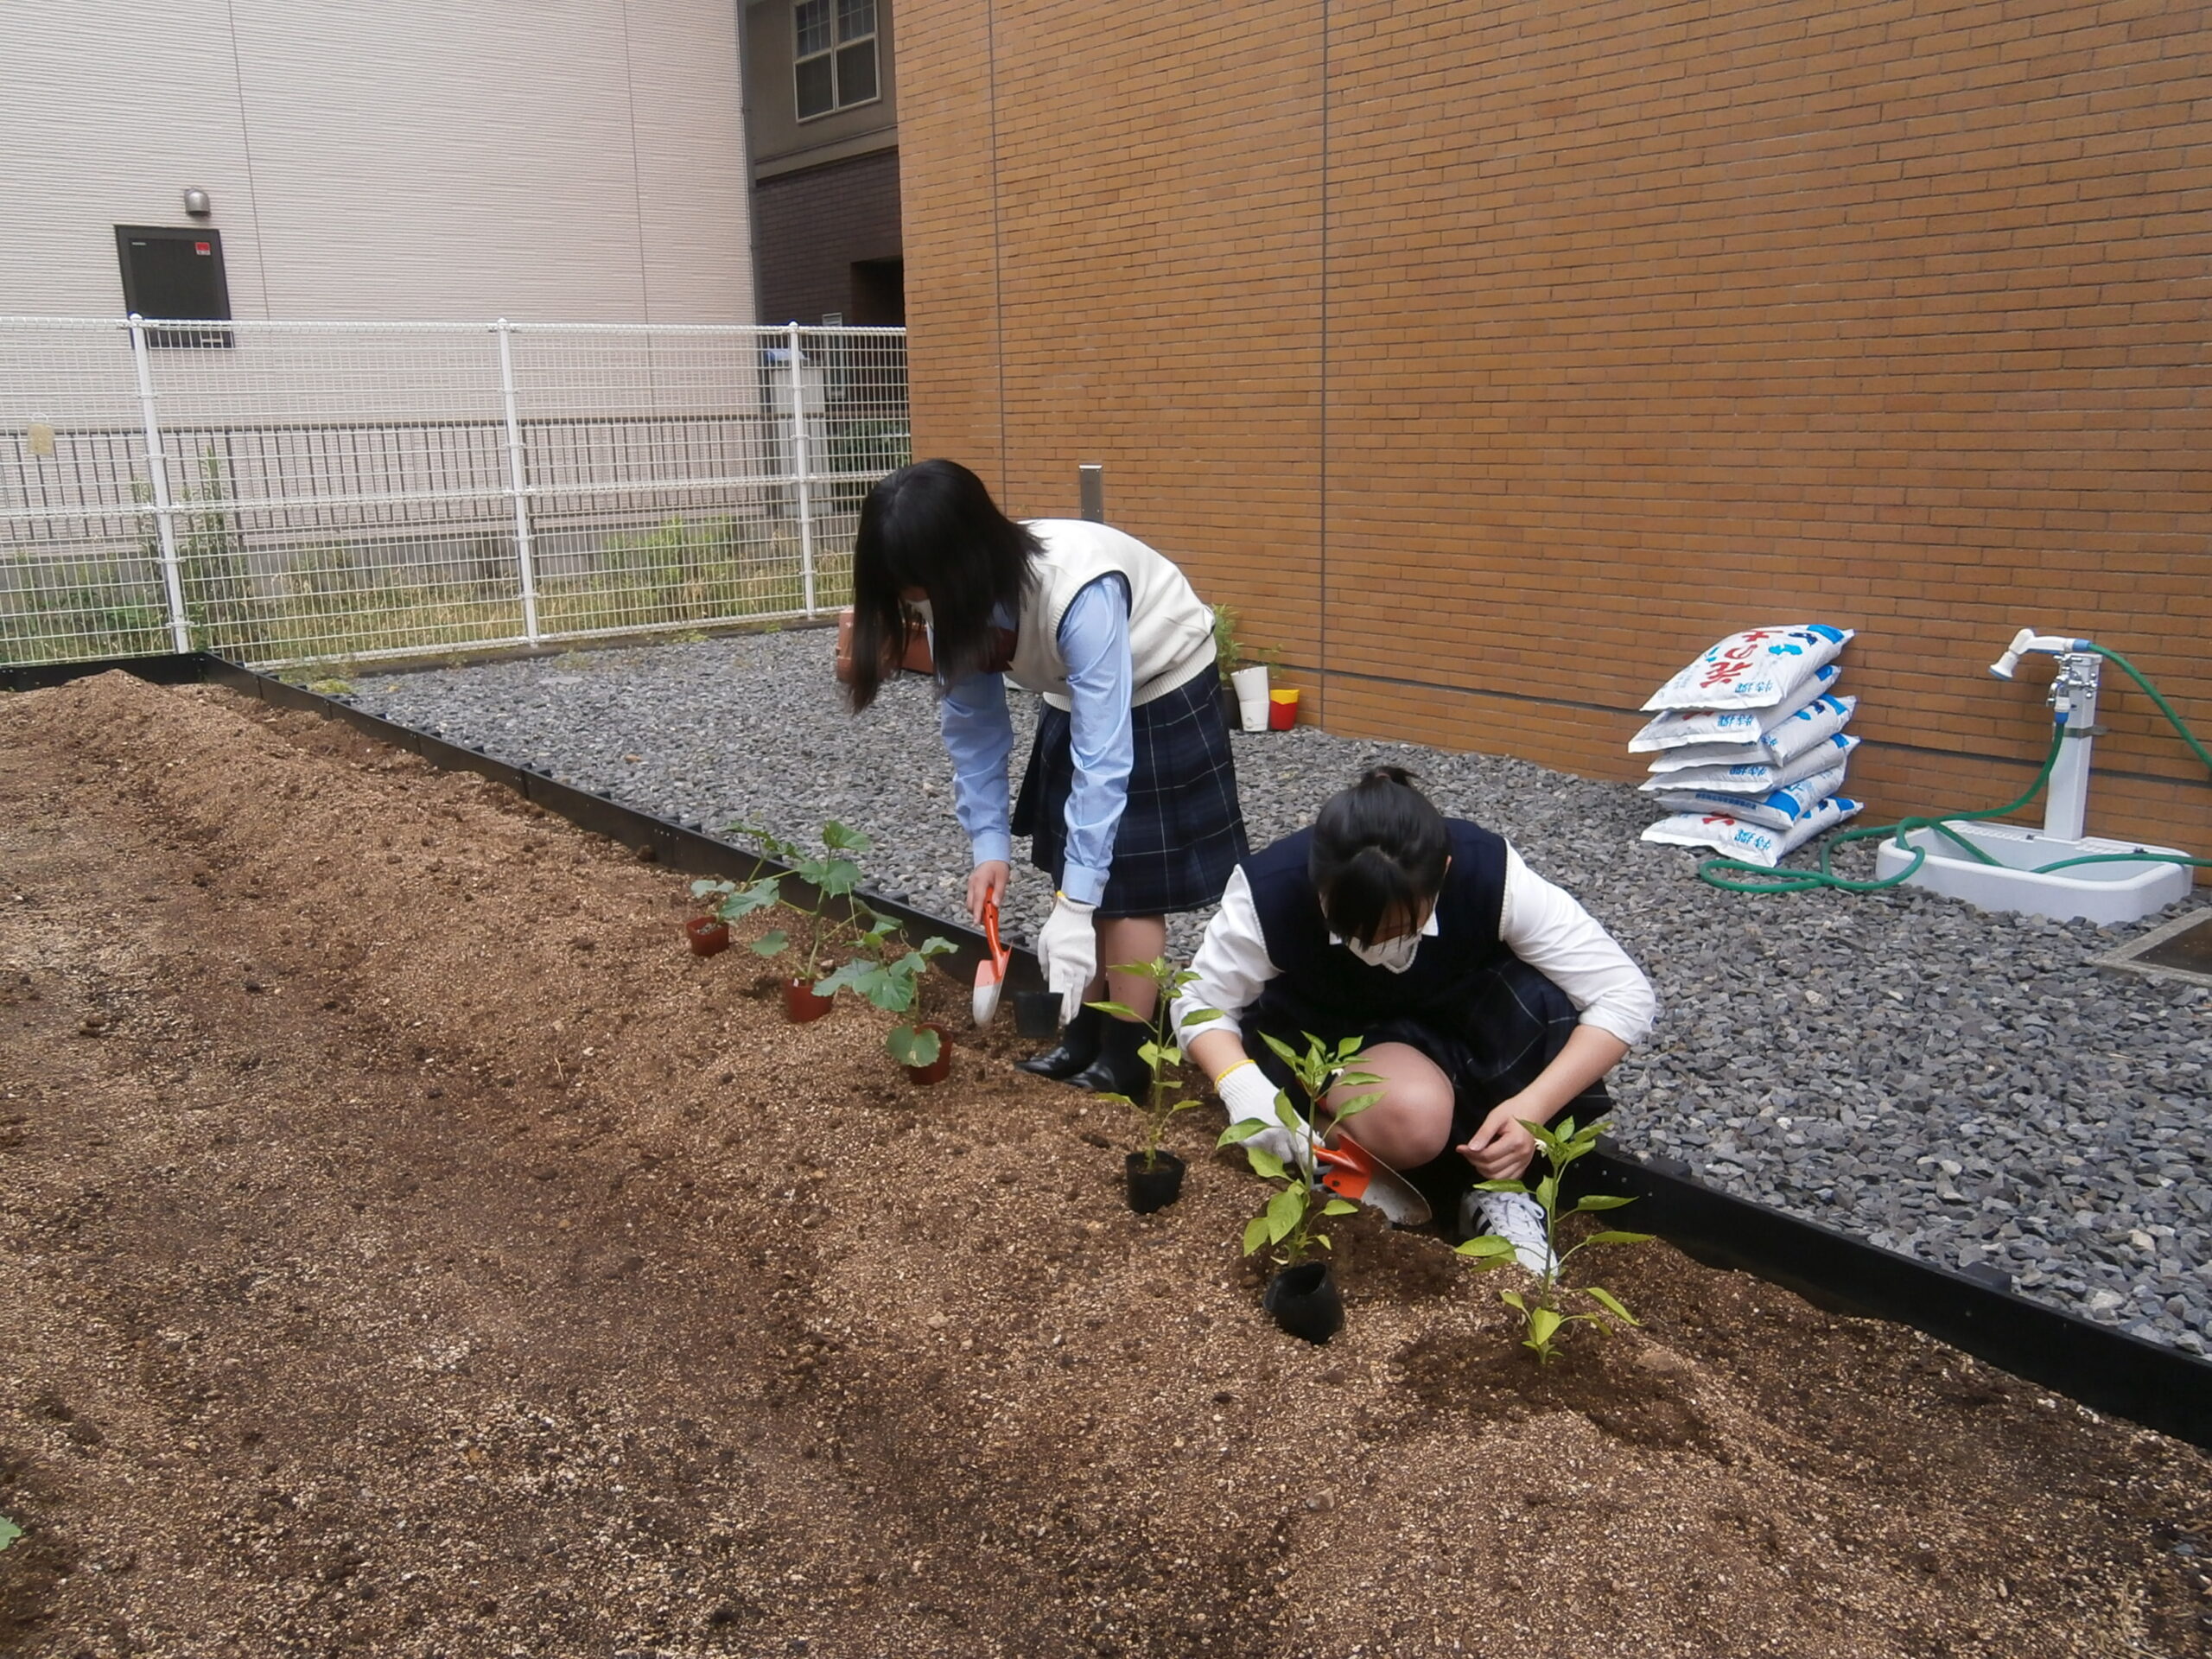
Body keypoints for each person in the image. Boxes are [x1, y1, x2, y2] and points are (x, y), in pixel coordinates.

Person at [846, 458, 1248, 1096]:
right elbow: (975, 731)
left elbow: (1104, 754)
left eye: (917, 588)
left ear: (964, 556)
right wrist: (989, 848)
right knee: (1071, 862)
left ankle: (1128, 1054)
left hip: (1159, 682)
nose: (915, 604)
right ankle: (1080, 1035)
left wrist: (1081, 905)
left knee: (1127, 885)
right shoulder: (955, 592)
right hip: (1073, 693)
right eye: (906, 591)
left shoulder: (1079, 589)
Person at [1170, 766, 1656, 1268]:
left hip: (1459, 1022)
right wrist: (1243, 1088)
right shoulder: (1270, 893)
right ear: (1317, 883)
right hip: (1333, 1032)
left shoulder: (1487, 872)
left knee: (1545, 995)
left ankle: (1498, 1191)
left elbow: (1623, 995)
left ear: (1442, 872)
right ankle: (1314, 1146)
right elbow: (1199, 1002)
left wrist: (1531, 1109)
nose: (1375, 946)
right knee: (1413, 1119)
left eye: (1400, 926)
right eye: (1351, 929)